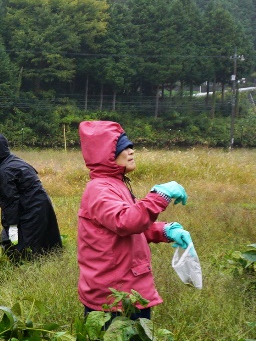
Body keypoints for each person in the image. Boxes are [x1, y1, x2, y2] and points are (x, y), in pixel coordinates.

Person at [77, 120, 191, 319]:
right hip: (113, 296)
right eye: (123, 147)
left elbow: (133, 224)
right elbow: (126, 222)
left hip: (127, 287)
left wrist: (165, 231)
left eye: (130, 146)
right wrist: (160, 194)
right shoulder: (99, 189)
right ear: (106, 155)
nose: (131, 151)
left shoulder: (115, 185)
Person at [0, 132, 62, 259]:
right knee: (35, 242)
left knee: (25, 250)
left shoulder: (5, 171)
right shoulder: (11, 161)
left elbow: (10, 200)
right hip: (38, 203)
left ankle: (30, 270)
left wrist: (12, 225)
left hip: (32, 208)